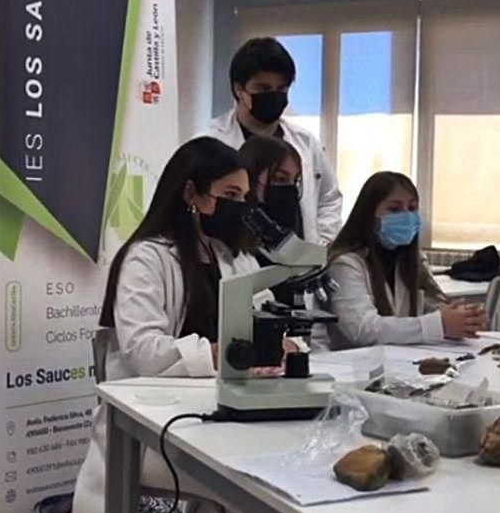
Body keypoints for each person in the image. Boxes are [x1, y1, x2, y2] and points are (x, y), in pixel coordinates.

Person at [70, 137, 296, 513]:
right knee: (272, 495)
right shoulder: (146, 259)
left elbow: (267, 318)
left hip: (222, 422)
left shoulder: (235, 259)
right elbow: (145, 353)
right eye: (229, 196)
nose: (240, 206)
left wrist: (281, 344)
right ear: (191, 194)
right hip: (152, 433)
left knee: (286, 492)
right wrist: (219, 353)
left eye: (245, 197)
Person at [321, 171, 484, 350]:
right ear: (369, 215)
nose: (406, 215)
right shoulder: (346, 264)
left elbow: (430, 307)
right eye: (394, 209)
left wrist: (462, 317)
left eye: (412, 208)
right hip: (352, 367)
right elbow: (363, 330)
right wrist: (440, 325)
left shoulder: (412, 261)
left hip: (399, 363)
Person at [205, 37, 343, 243]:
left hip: (299, 260)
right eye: (263, 89)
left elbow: (329, 200)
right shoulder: (210, 142)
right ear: (238, 89)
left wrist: (318, 245)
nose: (274, 96)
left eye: (282, 89)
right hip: (235, 258)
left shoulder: (306, 143)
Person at [239, 135, 305, 239]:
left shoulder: (292, 222)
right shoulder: (231, 235)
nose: (290, 188)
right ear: (251, 178)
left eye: (296, 180)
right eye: (280, 179)